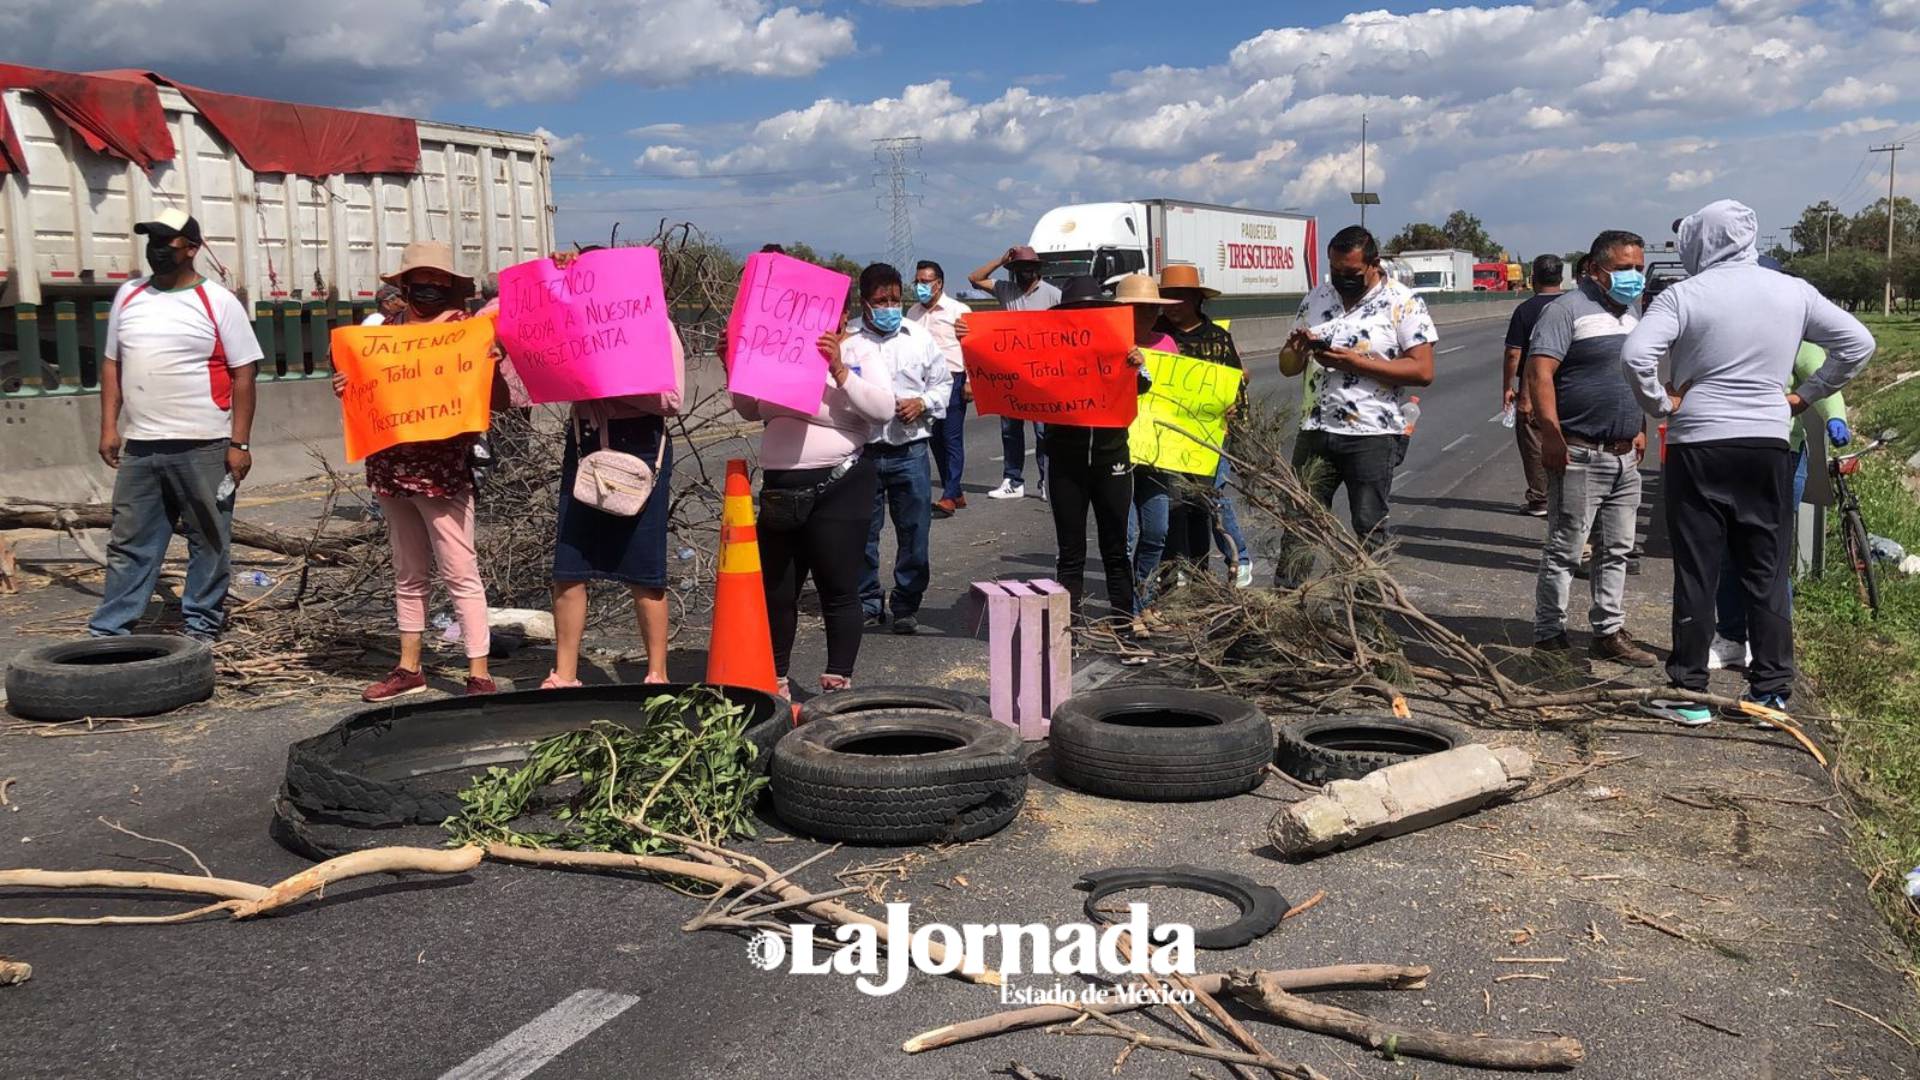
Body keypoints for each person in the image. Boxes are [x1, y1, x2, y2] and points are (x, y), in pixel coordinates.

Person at [1621, 200, 1875, 724]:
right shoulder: (1792, 291)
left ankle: (1691, 693)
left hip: (1698, 444)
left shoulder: (1681, 296)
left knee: (1698, 569)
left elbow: (1635, 356)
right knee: (1766, 567)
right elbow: (1858, 343)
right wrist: (1806, 396)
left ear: (1702, 240)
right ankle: (1772, 693)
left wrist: (1661, 403)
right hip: (1767, 442)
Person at [332, 241, 498, 701]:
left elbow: (490, 397)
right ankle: (409, 666)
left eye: (438, 282)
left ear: (450, 287)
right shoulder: (381, 332)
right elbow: (365, 393)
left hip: (443, 469)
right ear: (404, 285)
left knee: (459, 568)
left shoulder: (465, 331)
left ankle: (478, 673)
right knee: (408, 569)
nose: (429, 289)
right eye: (421, 281)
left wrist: (491, 368)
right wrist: (345, 385)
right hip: (390, 464)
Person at [89, 208, 263, 643]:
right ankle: (111, 631)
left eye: (166, 245)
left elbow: (245, 374)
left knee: (208, 539)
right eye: (152, 244)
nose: (157, 252)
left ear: (191, 248)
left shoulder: (218, 301)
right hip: (143, 445)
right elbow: (113, 365)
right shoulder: (129, 295)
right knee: (130, 542)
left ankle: (201, 625)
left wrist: (239, 443)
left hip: (204, 444)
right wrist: (110, 426)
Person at [734, 266, 896, 696]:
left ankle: (837, 677)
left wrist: (839, 369)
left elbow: (882, 409)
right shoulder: (774, 350)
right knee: (778, 589)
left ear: (841, 319)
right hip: (781, 487)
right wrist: (733, 363)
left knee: (837, 586)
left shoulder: (861, 351)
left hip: (839, 486)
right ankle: (777, 678)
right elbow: (750, 410)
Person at [537, 247, 686, 690]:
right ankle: (564, 673)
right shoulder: (571, 326)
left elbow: (671, 400)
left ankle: (656, 672)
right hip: (584, 447)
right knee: (570, 565)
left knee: (645, 569)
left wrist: (611, 381)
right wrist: (552, 277)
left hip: (641, 449)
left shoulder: (656, 322)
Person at [1526, 231, 1657, 667]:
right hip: (1580, 452)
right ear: (1596, 269)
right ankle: (1549, 636)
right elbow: (1540, 374)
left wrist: (1638, 426)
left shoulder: (1633, 313)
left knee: (1616, 549)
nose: (1634, 277)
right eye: (1624, 269)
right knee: (1565, 549)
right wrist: (1550, 434)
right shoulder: (1565, 311)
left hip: (1624, 456)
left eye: (1639, 268)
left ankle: (1607, 631)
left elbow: (1635, 378)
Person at [1277, 226, 1437, 582]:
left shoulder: (1403, 302)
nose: (1341, 280)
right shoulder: (1318, 298)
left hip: (1371, 434)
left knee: (1368, 528)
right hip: (1316, 430)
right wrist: (1297, 350)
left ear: (1374, 264)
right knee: (1299, 525)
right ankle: (1286, 614)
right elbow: (1288, 368)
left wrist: (1355, 363)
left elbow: (1423, 370)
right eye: (1335, 271)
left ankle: (1366, 622)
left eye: (1350, 273)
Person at [1707, 335, 1849, 671]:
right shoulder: (1730, 333)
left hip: (1782, 455)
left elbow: (1823, 380)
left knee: (1769, 553)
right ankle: (1730, 637)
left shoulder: (1796, 339)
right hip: (1732, 450)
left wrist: (1835, 417)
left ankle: (1768, 643)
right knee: (1728, 551)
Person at [857, 264, 950, 635]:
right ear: (865, 303)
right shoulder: (848, 341)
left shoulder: (919, 339)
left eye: (896, 299)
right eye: (881, 301)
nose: (890, 307)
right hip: (863, 454)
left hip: (909, 451)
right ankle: (867, 601)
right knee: (863, 534)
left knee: (915, 533)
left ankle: (907, 604)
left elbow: (944, 385)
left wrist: (923, 402)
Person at [1156, 264, 1253, 588]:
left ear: (1196, 299)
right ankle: (1175, 570)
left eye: (1179, 298)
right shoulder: (1154, 335)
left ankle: (1230, 563)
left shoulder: (1218, 338)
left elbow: (1236, 388)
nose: (1172, 306)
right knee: (1172, 504)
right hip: (1164, 437)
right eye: (1166, 298)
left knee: (1210, 501)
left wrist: (1238, 426)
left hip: (1209, 438)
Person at [1110, 275, 1188, 603]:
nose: (1146, 316)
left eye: (1152, 310)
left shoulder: (1167, 344)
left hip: (1157, 452)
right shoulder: (1109, 343)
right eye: (1139, 309)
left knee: (1157, 531)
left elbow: (1180, 395)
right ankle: (1131, 608)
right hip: (1118, 451)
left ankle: (1146, 595)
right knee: (1126, 536)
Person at [968, 245, 1060, 500]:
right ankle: (1013, 480)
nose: (1024, 272)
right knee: (1010, 428)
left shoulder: (1053, 295)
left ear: (1037, 269)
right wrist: (1000, 259)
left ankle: (1046, 480)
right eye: (1019, 268)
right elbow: (974, 279)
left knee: (1043, 430)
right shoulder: (1005, 290)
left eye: (1029, 267)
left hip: (1042, 373)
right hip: (1010, 372)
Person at [907, 261, 972, 518]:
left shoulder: (959, 311)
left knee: (951, 437)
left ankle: (948, 496)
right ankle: (953, 488)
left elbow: (972, 348)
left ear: (939, 283)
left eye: (926, 282)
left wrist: (970, 381)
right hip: (924, 383)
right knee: (934, 438)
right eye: (918, 282)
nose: (921, 287)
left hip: (953, 379)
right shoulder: (912, 314)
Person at [1503, 254, 1565, 517]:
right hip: (1570, 386)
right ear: (1561, 278)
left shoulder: (1525, 310)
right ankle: (1567, 498)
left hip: (1534, 388)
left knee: (1532, 439)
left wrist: (1508, 386)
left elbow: (1514, 354)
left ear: (1532, 279)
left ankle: (1540, 498)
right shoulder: (1572, 306)